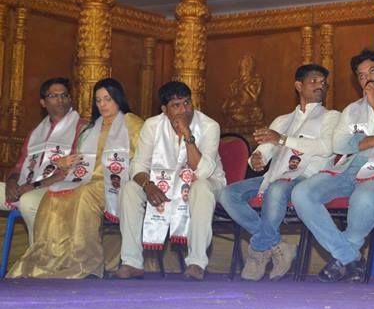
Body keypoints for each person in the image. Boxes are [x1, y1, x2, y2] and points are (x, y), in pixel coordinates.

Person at [291, 50, 374, 283]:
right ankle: (348, 256)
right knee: (302, 193)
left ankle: (344, 257)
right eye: (361, 76)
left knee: (363, 198)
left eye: (373, 71)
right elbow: (338, 144)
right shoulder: (352, 110)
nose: (368, 79)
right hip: (348, 167)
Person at [8, 79, 142, 279]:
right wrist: (65, 163)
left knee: (82, 195)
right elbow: (80, 160)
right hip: (85, 178)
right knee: (54, 194)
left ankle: (83, 261)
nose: (103, 105)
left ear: (118, 99)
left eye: (108, 99)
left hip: (112, 181)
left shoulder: (133, 123)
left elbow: (142, 157)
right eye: (98, 100)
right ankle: (52, 259)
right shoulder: (91, 128)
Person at [218, 64, 339, 281]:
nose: (320, 86)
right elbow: (266, 149)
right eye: (314, 81)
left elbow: (326, 147)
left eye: (323, 83)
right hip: (272, 177)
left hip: (306, 178)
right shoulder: (283, 120)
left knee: (277, 189)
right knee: (228, 194)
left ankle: (258, 250)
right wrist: (257, 158)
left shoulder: (331, 117)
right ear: (298, 86)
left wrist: (282, 139)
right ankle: (278, 245)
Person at [115, 81, 226, 281]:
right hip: (162, 183)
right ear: (164, 110)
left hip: (207, 183)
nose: (184, 110)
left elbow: (203, 170)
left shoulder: (210, 126)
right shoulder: (152, 125)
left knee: (200, 188)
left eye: (187, 103)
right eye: (176, 105)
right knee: (131, 189)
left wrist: (188, 135)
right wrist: (148, 186)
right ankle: (131, 262)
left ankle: (196, 262)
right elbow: (137, 166)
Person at [1, 78, 86, 244]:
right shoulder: (35, 132)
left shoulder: (82, 128)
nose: (60, 100)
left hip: (58, 189)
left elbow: (74, 171)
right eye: (54, 95)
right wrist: (11, 183)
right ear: (43, 102)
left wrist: (33, 186)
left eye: (65, 95)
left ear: (70, 99)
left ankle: (38, 258)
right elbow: (19, 166)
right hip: (26, 186)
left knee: (28, 200)